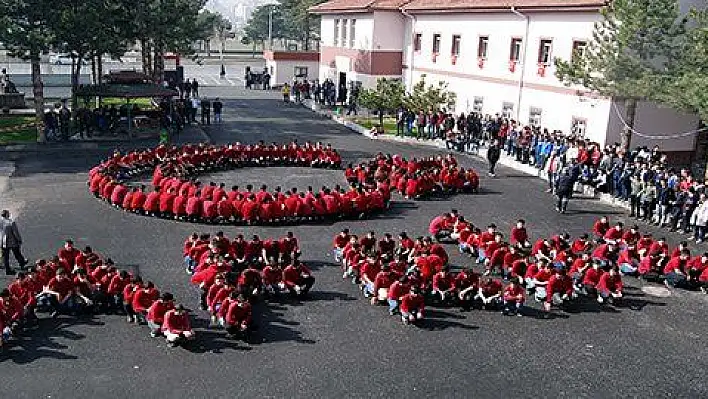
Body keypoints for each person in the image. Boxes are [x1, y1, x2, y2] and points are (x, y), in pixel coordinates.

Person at [1, 210, 28, 275]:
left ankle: (8, 270)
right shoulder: (11, 222)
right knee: (17, 253)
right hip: (12, 241)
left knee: (5, 257)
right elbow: (16, 233)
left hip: (2, 242)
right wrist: (19, 240)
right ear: (7, 215)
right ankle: (22, 264)